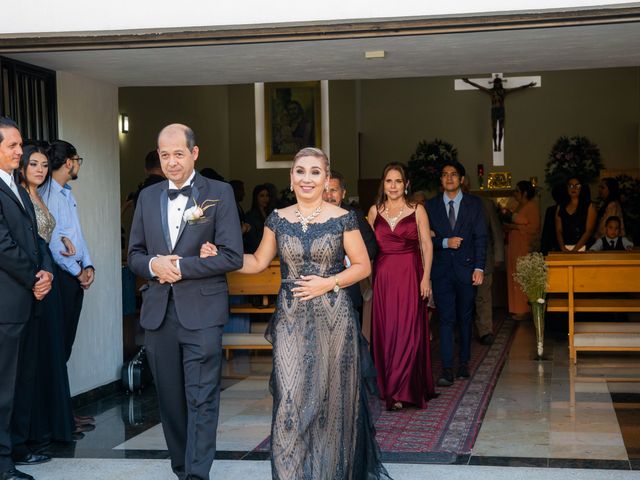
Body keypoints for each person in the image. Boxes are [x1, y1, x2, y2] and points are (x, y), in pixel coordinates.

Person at [202, 147, 391, 479]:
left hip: (334, 319)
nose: (307, 178)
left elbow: (363, 266)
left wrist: (328, 283)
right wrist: (220, 254)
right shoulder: (277, 218)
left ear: (325, 177)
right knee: (289, 402)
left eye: (315, 172)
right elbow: (258, 261)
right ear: (291, 177)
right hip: (290, 320)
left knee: (332, 405)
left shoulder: (343, 218)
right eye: (300, 171)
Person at [128, 123, 243, 480]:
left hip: (203, 311)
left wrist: (182, 266)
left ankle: (197, 474)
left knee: (203, 397)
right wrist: (152, 265)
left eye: (179, 153)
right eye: (165, 155)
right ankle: (182, 469)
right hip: (159, 314)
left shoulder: (219, 193)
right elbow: (133, 254)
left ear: (194, 153)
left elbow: (232, 256)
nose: (172, 162)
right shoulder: (148, 197)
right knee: (171, 402)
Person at [0, 117, 54, 480]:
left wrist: (46, 270)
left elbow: (35, 238)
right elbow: (2, 244)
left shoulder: (14, 186)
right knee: (3, 387)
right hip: (6, 303)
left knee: (20, 382)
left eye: (21, 145)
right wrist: (33, 276)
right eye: (13, 146)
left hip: (25, 300)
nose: (21, 151)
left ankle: (15, 449)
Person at [16, 146, 77, 446]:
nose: (39, 170)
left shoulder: (41, 195)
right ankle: (38, 429)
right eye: (33, 164)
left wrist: (61, 238)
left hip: (48, 277)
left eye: (43, 165)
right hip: (34, 282)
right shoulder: (19, 195)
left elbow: (44, 234)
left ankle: (56, 425)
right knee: (38, 357)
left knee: (53, 353)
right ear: (22, 167)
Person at [367, 162, 434, 410]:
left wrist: (425, 277)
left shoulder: (417, 210)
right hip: (384, 278)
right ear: (383, 184)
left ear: (406, 184)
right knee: (387, 331)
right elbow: (366, 247)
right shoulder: (374, 211)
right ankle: (390, 389)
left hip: (410, 275)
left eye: (398, 181)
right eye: (388, 181)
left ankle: (405, 388)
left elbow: (426, 245)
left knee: (409, 332)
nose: (393, 186)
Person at [426, 160, 487, 387]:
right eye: (444, 174)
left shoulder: (474, 204)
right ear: (441, 180)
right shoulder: (430, 207)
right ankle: (447, 369)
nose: (449, 178)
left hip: (467, 270)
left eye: (453, 174)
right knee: (445, 319)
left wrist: (479, 267)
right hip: (441, 271)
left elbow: (481, 238)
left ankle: (463, 363)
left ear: (461, 179)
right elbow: (424, 239)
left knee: (465, 318)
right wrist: (444, 242)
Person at [40, 140, 95, 364]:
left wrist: (88, 265)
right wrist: (78, 272)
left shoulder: (65, 193)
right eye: (77, 161)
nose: (78, 166)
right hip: (63, 277)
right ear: (69, 163)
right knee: (60, 343)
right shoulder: (49, 195)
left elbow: (76, 235)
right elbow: (55, 244)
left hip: (73, 274)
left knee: (66, 340)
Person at [324, 170, 378, 323]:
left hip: (350, 287)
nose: (329, 196)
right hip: (320, 292)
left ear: (343, 192)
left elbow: (372, 246)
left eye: (333, 190)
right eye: (325, 191)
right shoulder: (311, 217)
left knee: (351, 337)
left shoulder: (354, 215)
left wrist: (349, 260)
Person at [462, 76, 536, 152]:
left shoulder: (503, 91)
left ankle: (499, 145)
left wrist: (528, 85)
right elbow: (479, 87)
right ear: (494, 84)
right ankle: (495, 145)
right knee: (494, 129)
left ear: (500, 84)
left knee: (501, 129)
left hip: (501, 110)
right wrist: (468, 82)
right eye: (496, 83)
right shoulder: (491, 91)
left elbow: (516, 89)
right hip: (494, 110)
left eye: (498, 83)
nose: (497, 85)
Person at [472, 190, 504, 345]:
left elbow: (496, 230)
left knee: (483, 296)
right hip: (459, 260)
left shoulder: (485, 203)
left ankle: (485, 331)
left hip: (485, 258)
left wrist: (499, 256)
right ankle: (462, 330)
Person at [505, 181, 541, 319]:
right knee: (514, 274)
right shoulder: (518, 206)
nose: (514, 194)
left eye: (517, 191)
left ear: (524, 193)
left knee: (522, 275)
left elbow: (534, 228)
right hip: (515, 245)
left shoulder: (532, 206)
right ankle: (515, 308)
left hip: (524, 246)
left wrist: (516, 227)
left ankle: (524, 309)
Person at [555, 177, 597, 252]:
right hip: (564, 247)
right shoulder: (560, 206)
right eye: (570, 185)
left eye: (577, 186)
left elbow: (589, 231)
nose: (573, 188)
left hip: (584, 247)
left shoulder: (590, 206)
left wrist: (575, 250)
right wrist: (562, 247)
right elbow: (558, 230)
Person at [243, 184, 272, 254]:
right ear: (256, 197)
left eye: (267, 195)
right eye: (262, 196)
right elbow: (252, 239)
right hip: (255, 252)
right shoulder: (250, 215)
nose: (265, 198)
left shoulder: (271, 214)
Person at [540, 184, 567, 255]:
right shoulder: (552, 210)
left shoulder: (551, 210)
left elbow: (546, 232)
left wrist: (543, 249)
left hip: (553, 245)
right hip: (560, 244)